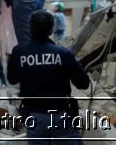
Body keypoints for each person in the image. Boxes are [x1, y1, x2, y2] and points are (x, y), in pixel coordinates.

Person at [7, 11, 90, 145]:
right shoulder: (63, 53)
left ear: (30, 28)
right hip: (60, 116)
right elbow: (83, 84)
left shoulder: (19, 52)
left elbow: (12, 80)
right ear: (51, 30)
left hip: (34, 117)